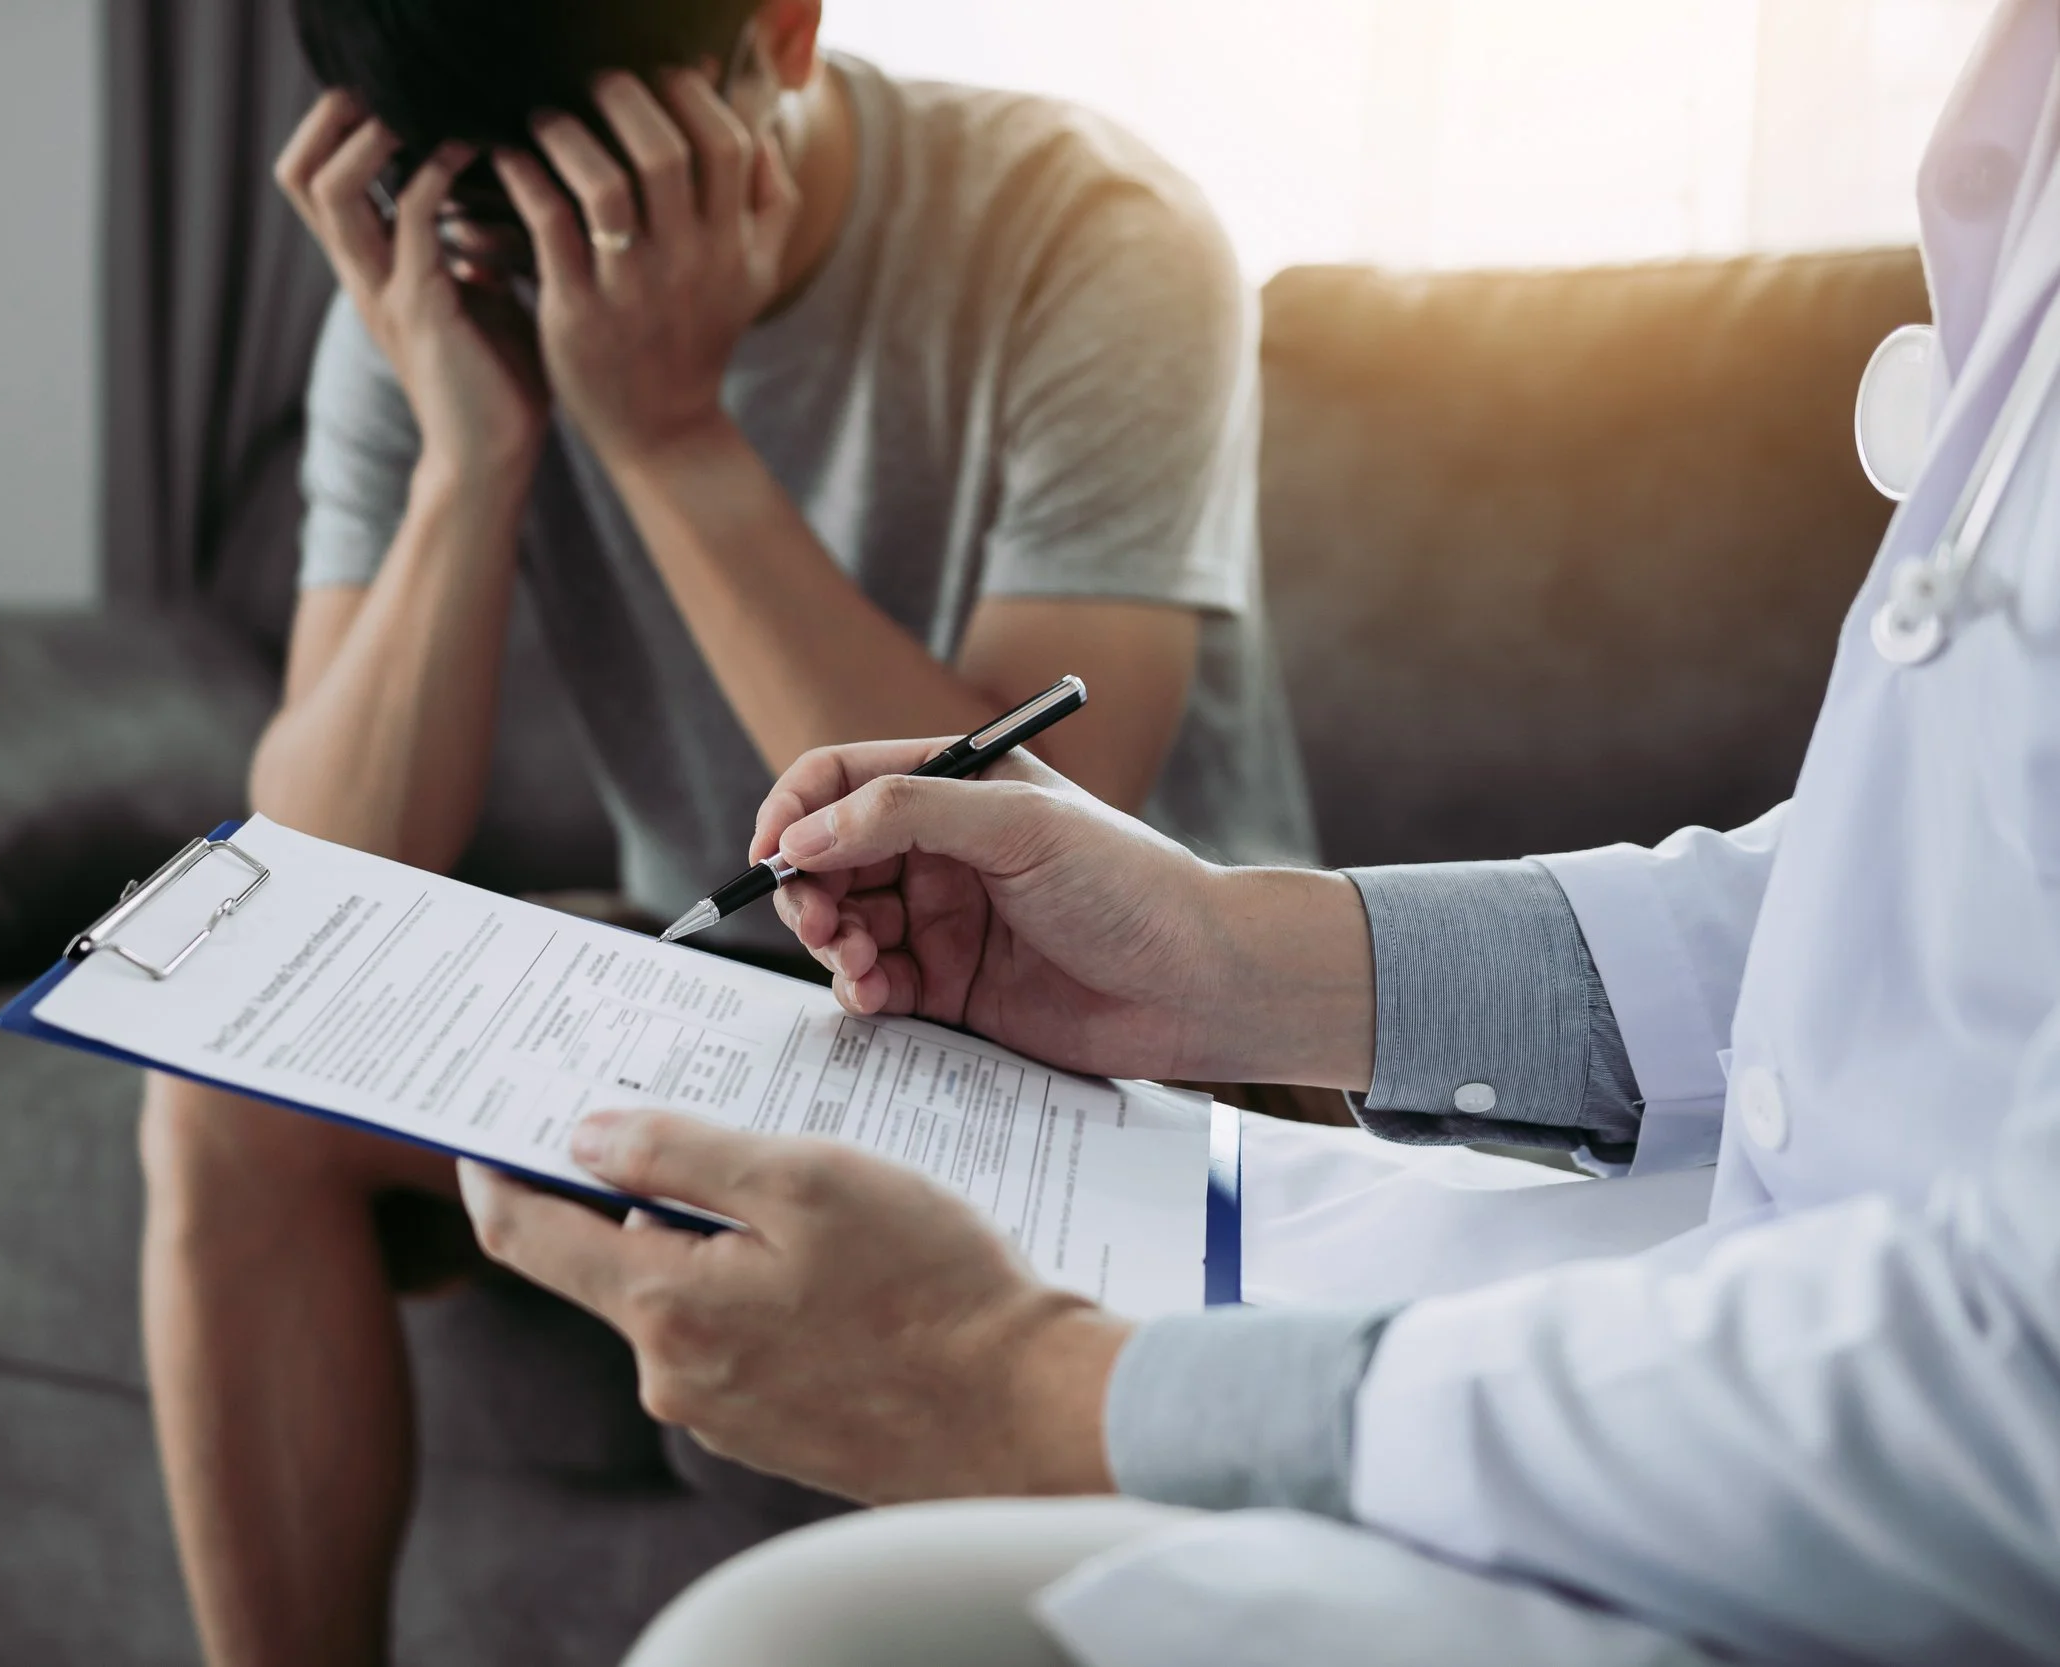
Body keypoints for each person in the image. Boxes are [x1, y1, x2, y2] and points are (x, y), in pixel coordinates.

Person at [457, 4, 2060, 1660]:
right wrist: (1231, 955)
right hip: (1773, 1299)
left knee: (787, 1646)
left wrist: (1036, 1390)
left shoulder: (1076, 224)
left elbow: (2018, 1388)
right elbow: (1897, 902)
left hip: (1895, 1463)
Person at [136, 0, 1315, 1660]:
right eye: (490, 215)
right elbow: (316, 887)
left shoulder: (1094, 235)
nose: (547, 266)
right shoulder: (444, 287)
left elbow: (1037, 835)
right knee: (221, 1098)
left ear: (781, 33)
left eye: (593, 197)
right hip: (731, 982)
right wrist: (470, 458)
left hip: (1122, 1025)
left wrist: (666, 432)